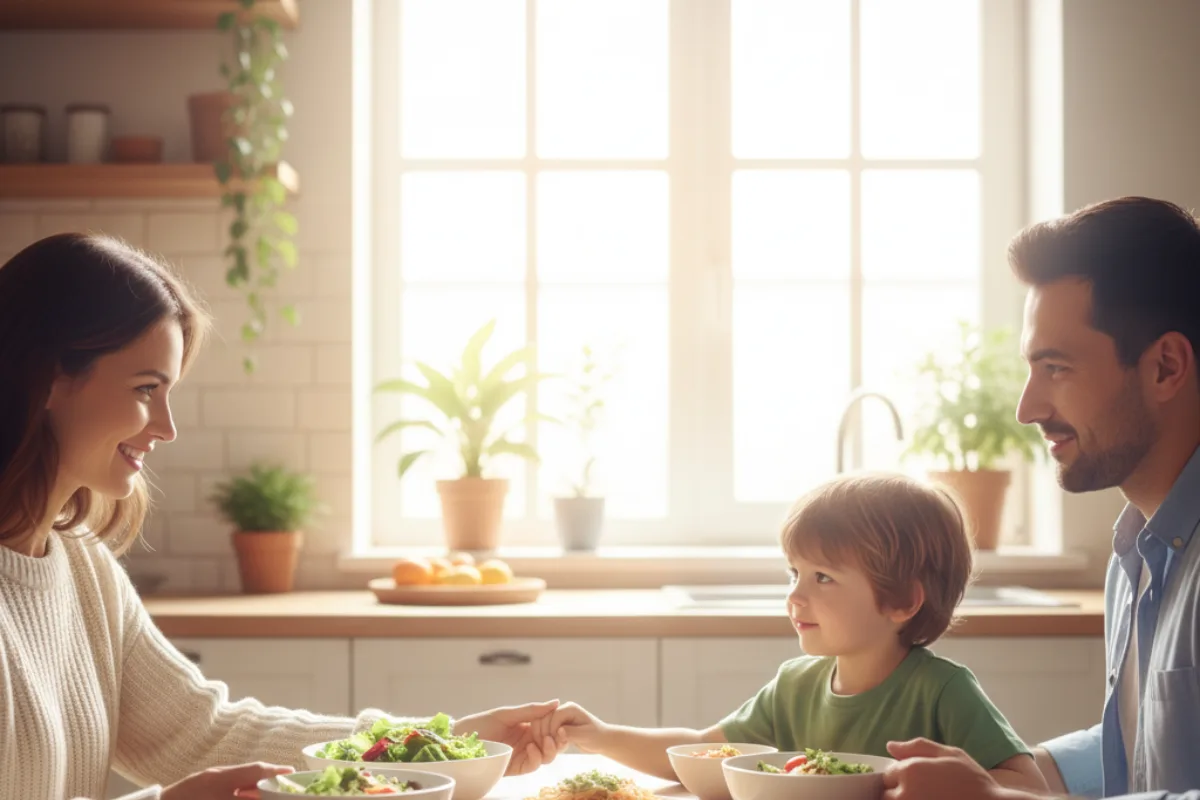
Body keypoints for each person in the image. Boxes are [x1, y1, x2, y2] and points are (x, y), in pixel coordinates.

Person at [0, 233, 565, 800]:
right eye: (146, 388)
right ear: (51, 377)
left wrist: (440, 745)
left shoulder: (83, 567)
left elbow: (203, 734)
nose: (167, 427)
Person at [883, 195, 1200, 799]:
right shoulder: (1135, 550)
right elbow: (1144, 751)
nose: (1028, 409)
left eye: (1056, 368)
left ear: (1164, 367)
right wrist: (1019, 774)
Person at [545, 474, 1047, 792]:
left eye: (823, 577)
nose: (795, 597)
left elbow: (1031, 786)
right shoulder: (794, 686)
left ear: (902, 601)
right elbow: (701, 753)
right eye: (794, 574)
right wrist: (601, 736)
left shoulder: (943, 690)